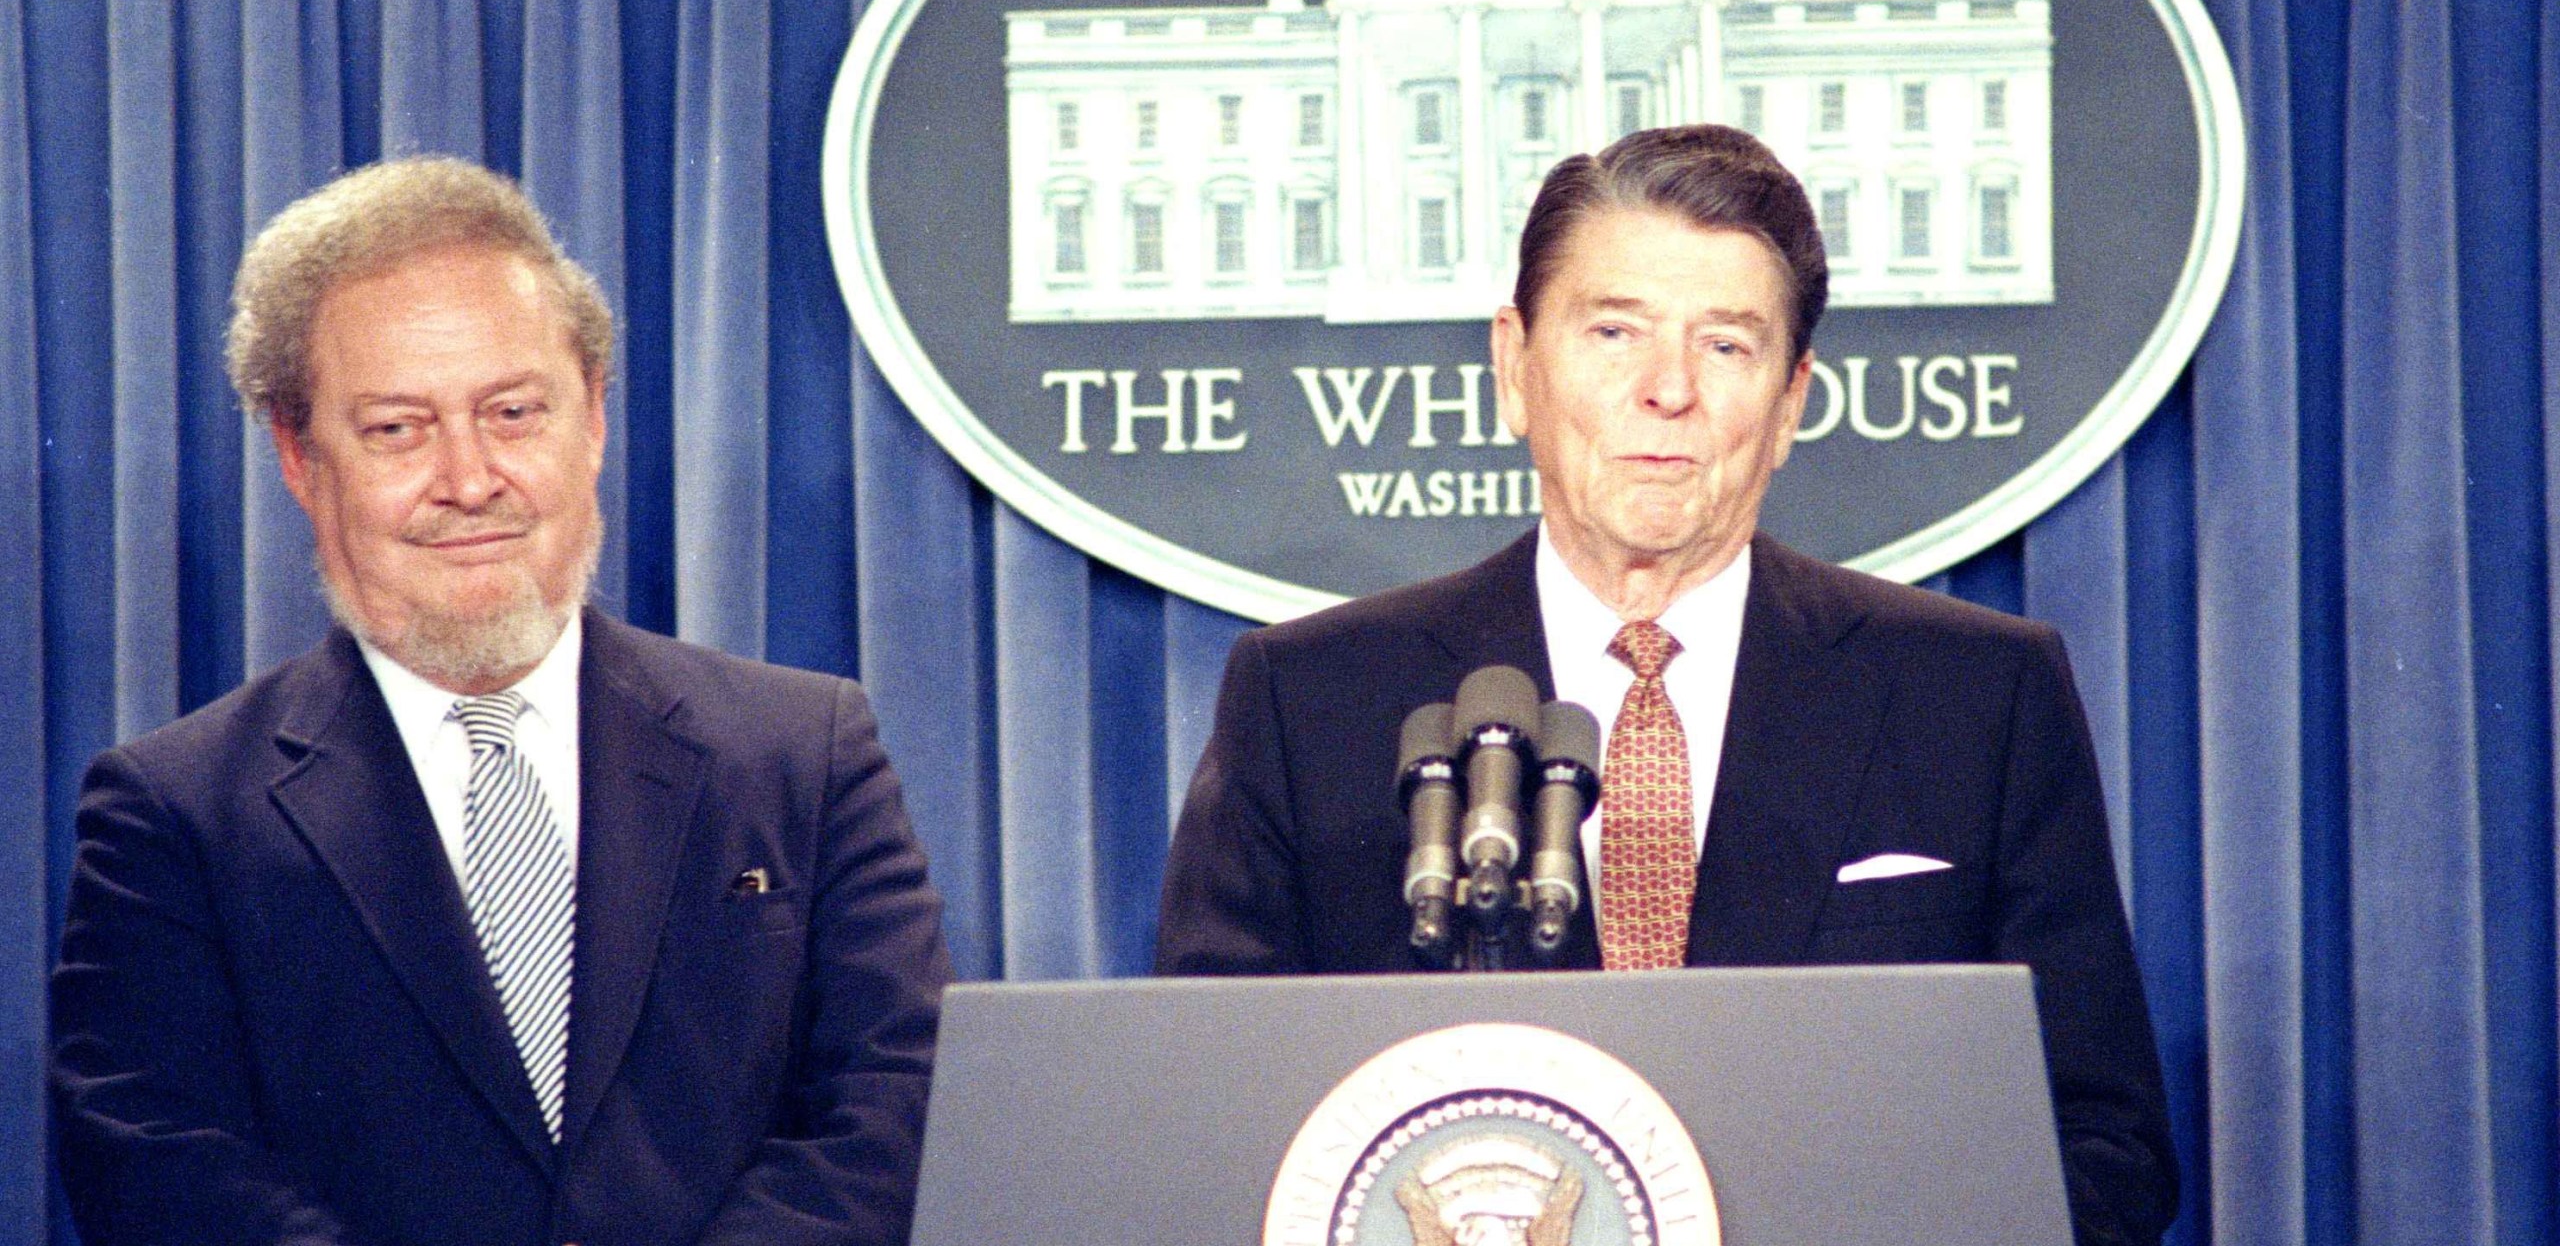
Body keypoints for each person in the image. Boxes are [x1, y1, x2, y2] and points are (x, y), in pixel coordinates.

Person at [1155, 125, 2177, 1245]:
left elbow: (2098, 1152)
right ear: (1513, 368)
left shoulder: (1978, 696)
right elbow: (1215, 1136)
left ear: (1789, 404)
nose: (1667, 390)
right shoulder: (1311, 703)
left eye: (1726, 347)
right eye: (1612, 332)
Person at [51, 157, 950, 1246]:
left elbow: (890, 1107)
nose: (470, 478)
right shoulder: (175, 812)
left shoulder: (805, 754)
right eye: (397, 429)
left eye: (513, 412)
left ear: (594, 420)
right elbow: (158, 1164)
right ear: (299, 454)